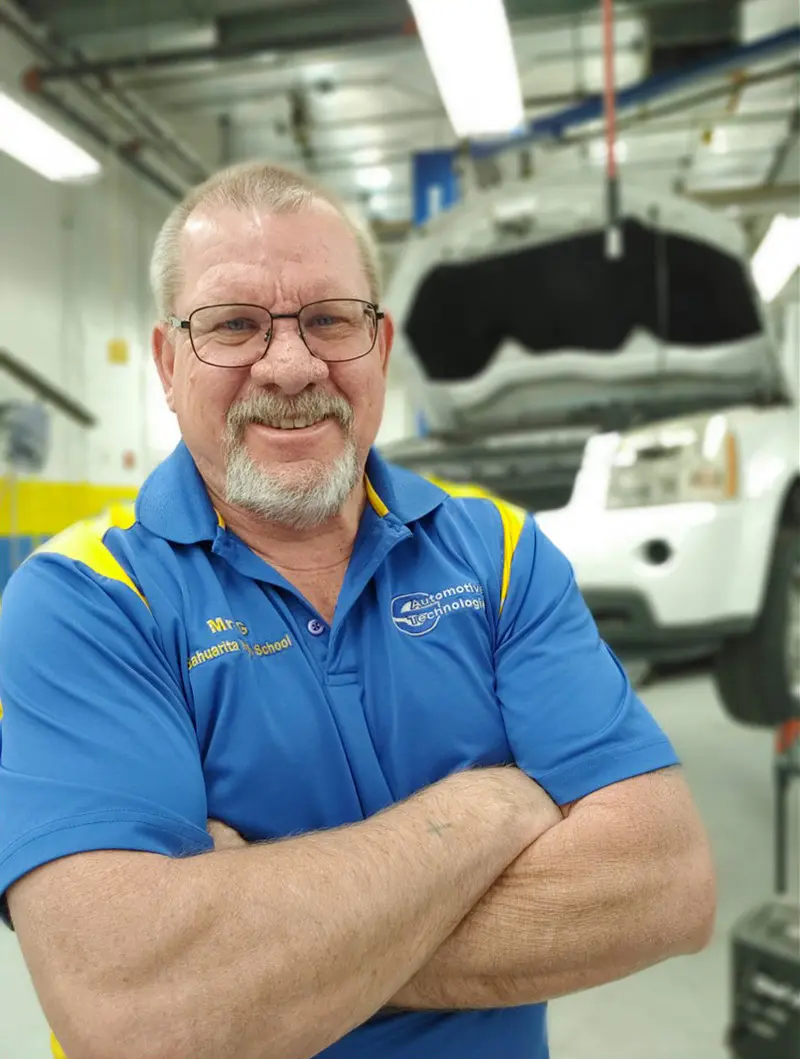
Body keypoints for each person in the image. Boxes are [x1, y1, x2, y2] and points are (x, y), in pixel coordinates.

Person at [0, 160, 716, 1059]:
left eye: (331, 319)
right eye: (234, 325)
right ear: (168, 361)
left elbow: (664, 884)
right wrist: (493, 809)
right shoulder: (86, 601)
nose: (292, 365)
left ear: (378, 347)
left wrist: (259, 954)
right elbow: (138, 1011)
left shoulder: (498, 554)